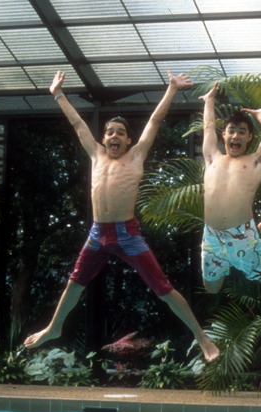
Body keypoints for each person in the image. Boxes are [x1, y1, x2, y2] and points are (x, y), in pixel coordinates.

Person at [24, 70, 219, 362]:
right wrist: (59, 94)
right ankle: (54, 327)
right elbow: (78, 124)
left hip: (127, 234)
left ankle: (200, 336)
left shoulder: (136, 156)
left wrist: (172, 89)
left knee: (163, 289)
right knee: (74, 283)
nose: (114, 136)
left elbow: (154, 121)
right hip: (96, 234)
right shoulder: (97, 155)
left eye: (120, 133)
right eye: (109, 132)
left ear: (129, 140)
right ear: (103, 139)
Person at [199, 83, 261, 295]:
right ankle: (229, 261)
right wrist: (209, 100)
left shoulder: (255, 161)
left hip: (242, 235)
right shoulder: (212, 158)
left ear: (250, 138)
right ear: (224, 136)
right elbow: (208, 127)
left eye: (242, 132)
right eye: (231, 131)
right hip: (212, 235)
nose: (236, 136)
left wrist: (259, 114)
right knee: (211, 289)